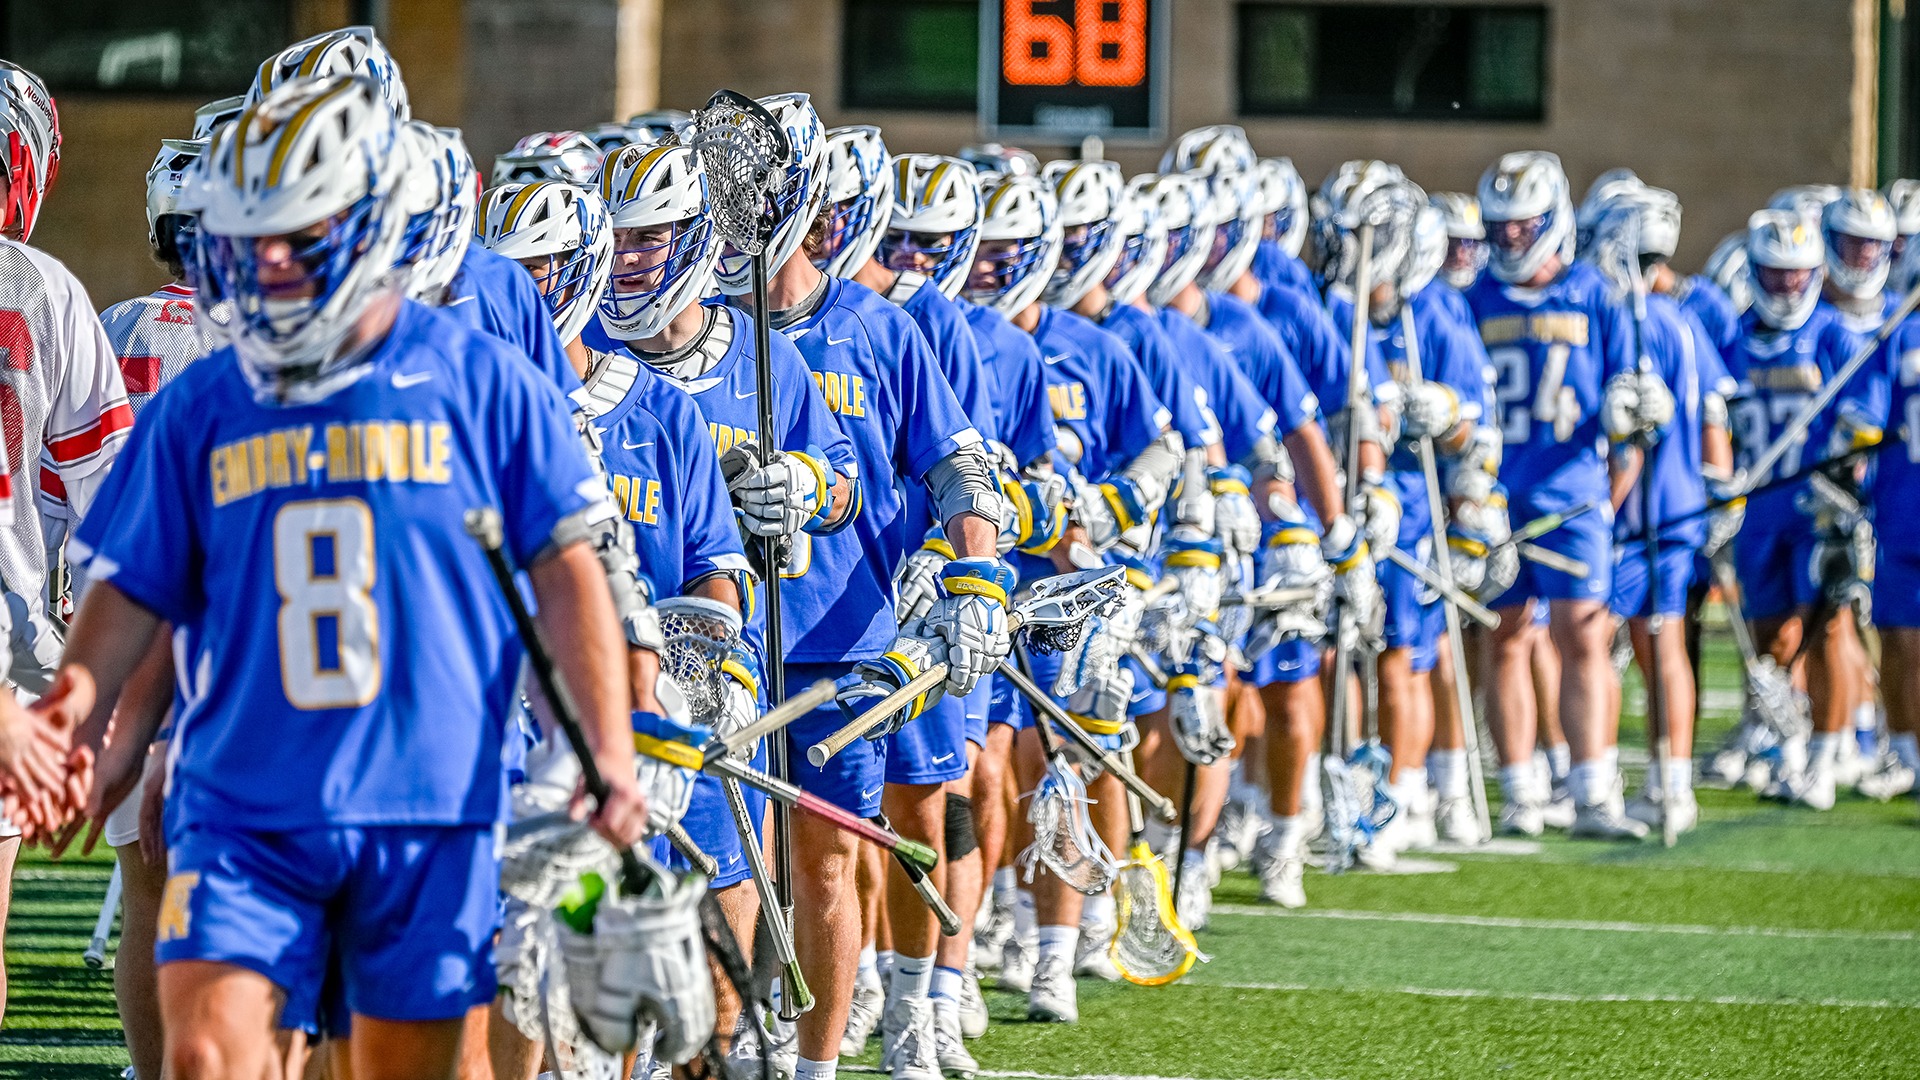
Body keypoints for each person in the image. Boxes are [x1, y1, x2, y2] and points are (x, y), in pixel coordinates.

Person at [35, 74, 648, 1080]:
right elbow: (140, 589)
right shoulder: (206, 403)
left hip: (429, 797)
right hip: (243, 797)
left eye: (298, 238)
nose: (269, 266)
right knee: (204, 1055)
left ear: (371, 229)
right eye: (249, 239)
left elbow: (567, 573)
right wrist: (93, 736)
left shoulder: (478, 380)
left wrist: (603, 752)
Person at [722, 93, 1007, 1080]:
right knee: (723, 861)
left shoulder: (879, 329)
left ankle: (840, 1047)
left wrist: (973, 576)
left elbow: (960, 466)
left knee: (837, 854)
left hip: (845, 629)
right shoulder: (694, 330)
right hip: (716, 635)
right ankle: (737, 1037)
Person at [1466, 150, 1655, 839]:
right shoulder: (1472, 298)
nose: (1511, 237)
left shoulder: (1596, 293)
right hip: (1492, 493)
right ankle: (1520, 789)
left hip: (1573, 492)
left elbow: (1630, 415)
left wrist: (1613, 488)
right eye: (1501, 226)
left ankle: (1593, 789)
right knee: (1507, 638)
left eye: (1524, 225)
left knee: (1583, 636)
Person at [94, 134, 211, 1080]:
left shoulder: (115, 321)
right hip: (221, 630)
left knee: (142, 884)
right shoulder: (259, 335)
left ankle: (149, 1070)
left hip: (121, 620)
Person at [1584, 185, 1732, 837]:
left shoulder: (1635, 317)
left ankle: (1603, 778)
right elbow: (1712, 418)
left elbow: (1630, 443)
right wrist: (1718, 490)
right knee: (1665, 644)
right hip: (1680, 509)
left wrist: (1597, 512)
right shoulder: (1682, 317)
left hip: (1636, 518)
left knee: (1598, 644)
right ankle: (1672, 781)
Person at [1725, 209, 1870, 810]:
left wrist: (1846, 479)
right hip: (1757, 508)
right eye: (1774, 274)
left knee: (1830, 626)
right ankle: (1789, 746)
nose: (1786, 286)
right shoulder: (1734, 337)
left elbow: (1866, 418)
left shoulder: (1835, 335)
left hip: (1817, 507)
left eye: (1797, 274)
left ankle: (1829, 755)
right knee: (1771, 637)